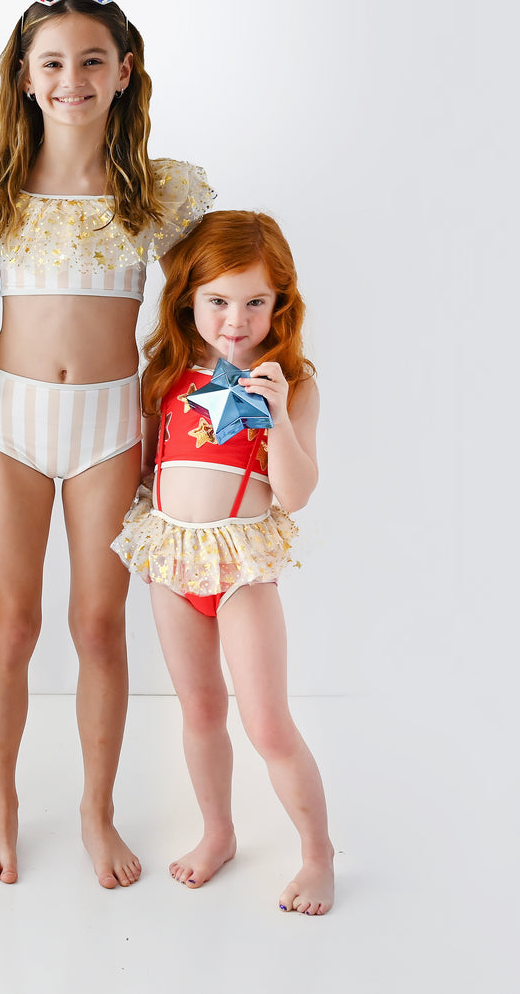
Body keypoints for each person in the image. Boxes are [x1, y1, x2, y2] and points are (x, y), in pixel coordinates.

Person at [0, 0, 213, 887]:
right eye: (53, 62)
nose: (72, 78)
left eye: (92, 60)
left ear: (124, 72)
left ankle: (96, 811)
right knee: (11, 621)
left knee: (98, 625)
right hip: (10, 422)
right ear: (25, 77)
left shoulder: (155, 190)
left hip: (108, 422)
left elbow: (202, 308)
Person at [112, 209, 332, 914]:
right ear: (188, 300)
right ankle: (217, 831)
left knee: (266, 722)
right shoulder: (169, 374)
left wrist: (277, 421)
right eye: (217, 301)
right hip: (172, 558)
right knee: (199, 707)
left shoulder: (291, 383)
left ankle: (317, 853)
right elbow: (146, 465)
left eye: (254, 302)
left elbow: (293, 496)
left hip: (239, 569)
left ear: (278, 304)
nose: (235, 320)